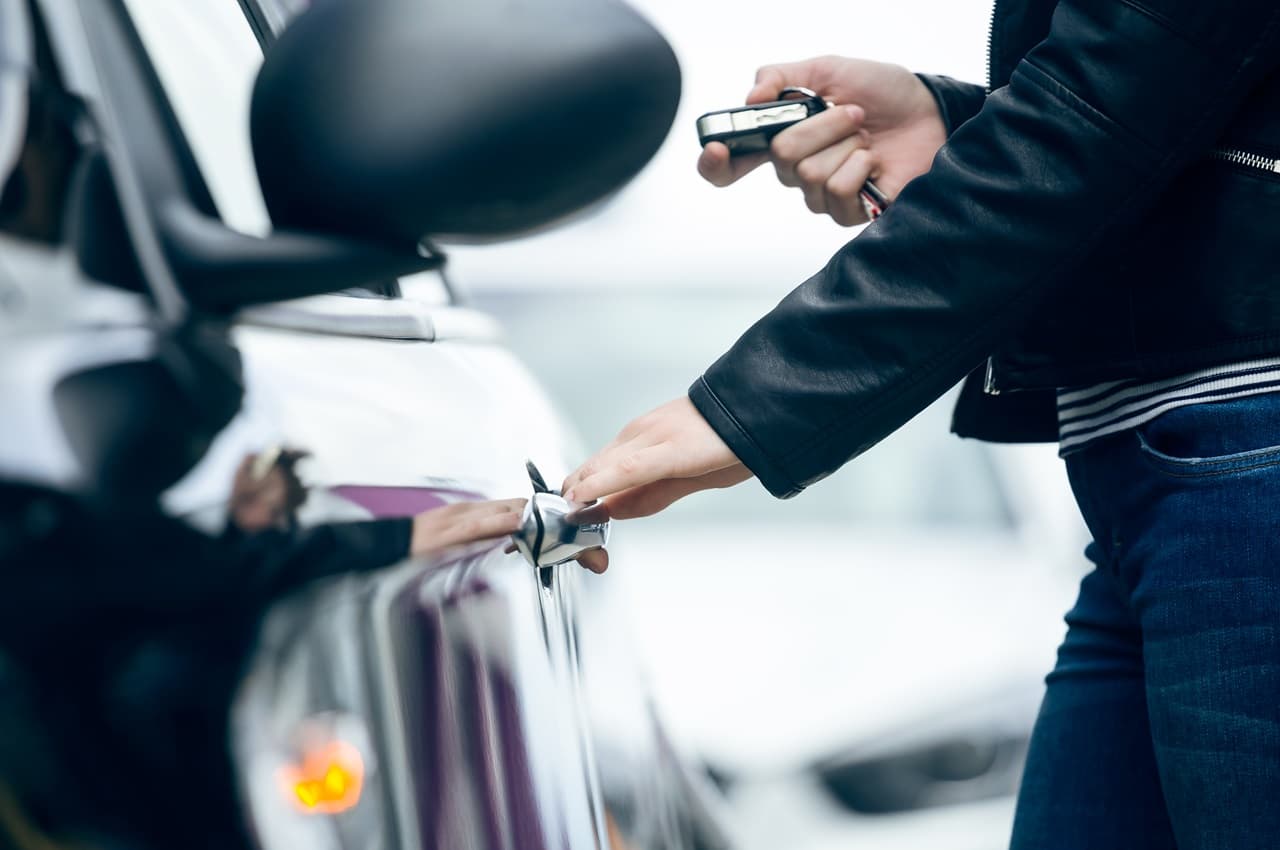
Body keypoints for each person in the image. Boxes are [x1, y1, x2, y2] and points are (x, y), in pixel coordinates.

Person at [564, 1, 1280, 846]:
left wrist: (760, 404)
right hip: (1155, 485)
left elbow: (1102, 107)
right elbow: (1162, 90)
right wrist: (960, 123)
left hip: (1240, 463)